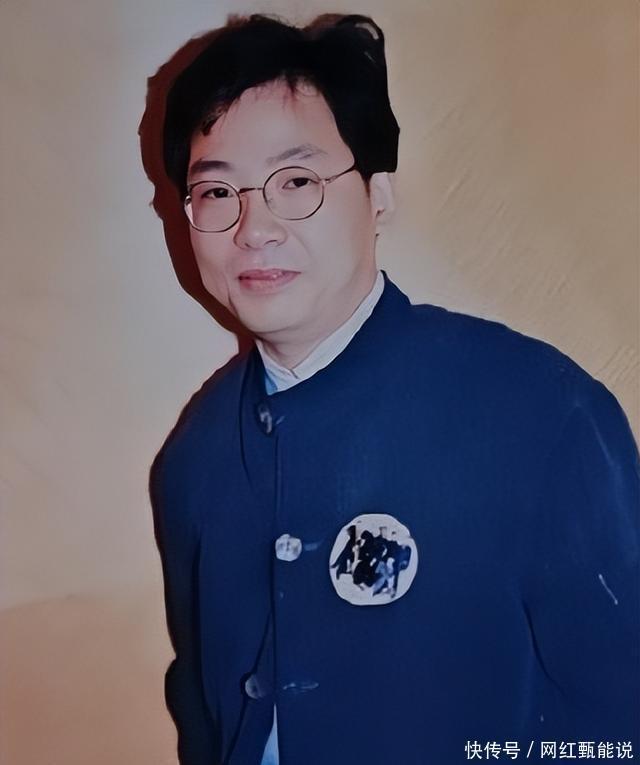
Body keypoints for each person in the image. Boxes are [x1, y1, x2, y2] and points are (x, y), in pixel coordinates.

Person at [146, 12, 639, 765]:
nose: (254, 228)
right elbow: (203, 709)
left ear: (378, 195)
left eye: (297, 181)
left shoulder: (541, 413)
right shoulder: (195, 458)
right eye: (216, 191)